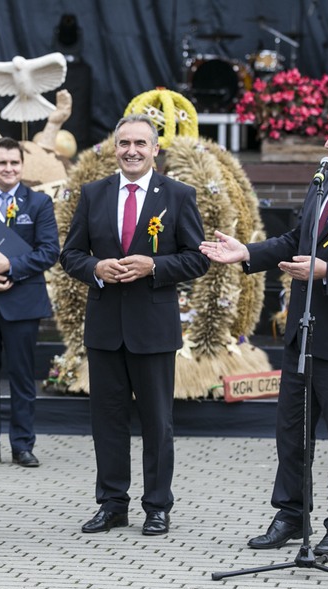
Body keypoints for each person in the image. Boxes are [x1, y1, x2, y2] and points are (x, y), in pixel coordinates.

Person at [199, 106, 328, 556]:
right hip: (303, 332)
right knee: (291, 432)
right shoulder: (324, 183)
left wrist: (327, 271)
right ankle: (291, 515)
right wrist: (247, 255)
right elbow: (295, 242)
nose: (326, 144)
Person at [60, 114, 210, 536]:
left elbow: (197, 258)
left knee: (157, 422)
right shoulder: (94, 193)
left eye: (140, 144)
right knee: (107, 421)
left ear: (155, 149)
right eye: (124, 143)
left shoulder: (178, 195)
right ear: (114, 148)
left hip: (153, 327)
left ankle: (157, 506)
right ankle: (112, 504)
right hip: (105, 327)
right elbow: (70, 254)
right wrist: (96, 267)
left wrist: (154, 266)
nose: (131, 150)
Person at [0, 137, 60, 468]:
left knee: (22, 378)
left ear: (22, 166)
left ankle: (22, 445)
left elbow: (50, 251)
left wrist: (10, 267)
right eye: (1, 163)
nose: (8, 168)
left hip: (22, 303)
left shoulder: (39, 203)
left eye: (14, 163)